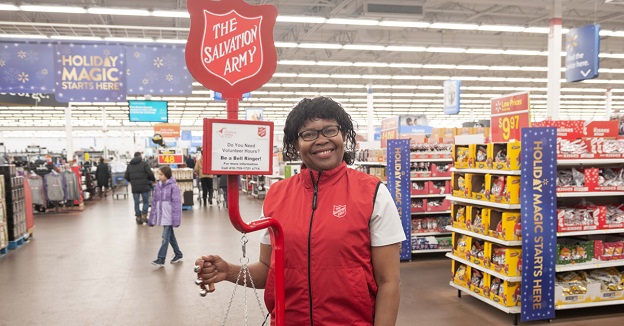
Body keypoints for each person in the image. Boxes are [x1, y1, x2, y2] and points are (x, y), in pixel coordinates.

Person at [194, 97, 406, 325]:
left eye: (330, 130)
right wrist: (229, 271)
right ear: (295, 144)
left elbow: (388, 282)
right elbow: (269, 270)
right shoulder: (277, 196)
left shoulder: (373, 193)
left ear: (343, 135)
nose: (321, 140)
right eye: (308, 134)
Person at [148, 166, 183, 267]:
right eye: (158, 174)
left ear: (167, 175)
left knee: (165, 238)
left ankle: (161, 259)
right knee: (170, 236)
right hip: (162, 215)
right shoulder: (158, 186)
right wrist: (152, 217)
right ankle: (178, 254)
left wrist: (176, 219)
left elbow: (177, 203)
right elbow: (154, 202)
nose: (159, 176)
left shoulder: (173, 187)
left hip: (169, 215)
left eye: (161, 174)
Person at [125, 152, 156, 225]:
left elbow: (126, 176)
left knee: (136, 202)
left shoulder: (129, 165)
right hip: (144, 186)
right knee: (146, 201)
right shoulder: (144, 164)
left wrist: (132, 181)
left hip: (135, 187)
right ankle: (144, 216)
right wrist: (152, 180)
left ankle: (138, 217)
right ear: (140, 156)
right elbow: (150, 173)